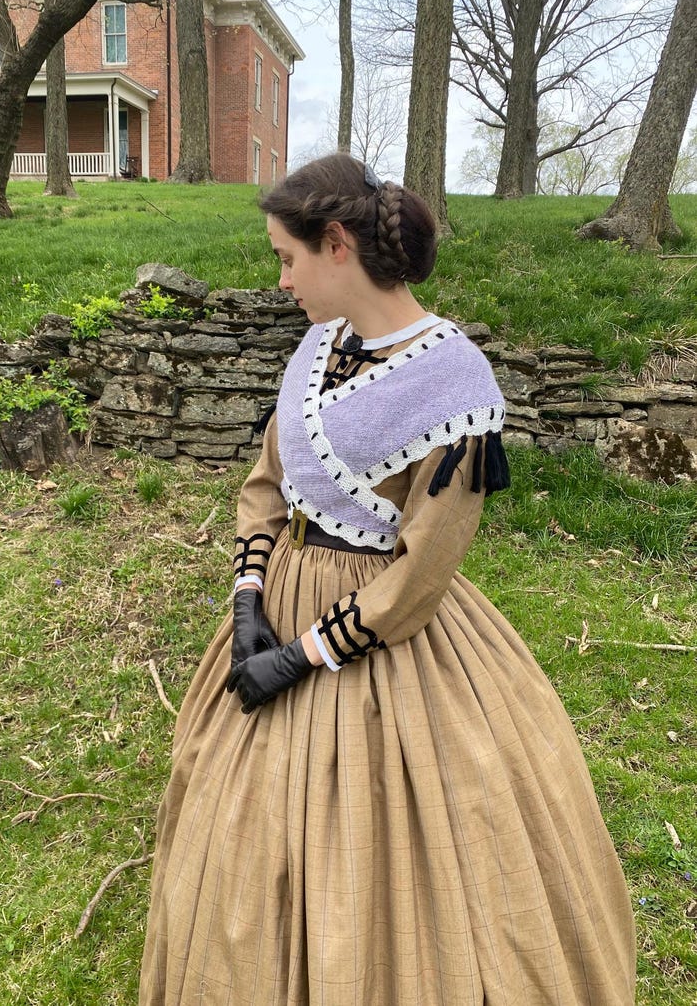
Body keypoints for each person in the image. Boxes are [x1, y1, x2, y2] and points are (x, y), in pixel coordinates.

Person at [139, 153, 636, 1005]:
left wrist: (300, 657)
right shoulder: (316, 346)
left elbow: (421, 576)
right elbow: (266, 482)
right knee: (243, 827)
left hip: (382, 638)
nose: (281, 279)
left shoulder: (455, 385)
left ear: (336, 244)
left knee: (406, 844)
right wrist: (250, 598)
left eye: (286, 257)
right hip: (284, 593)